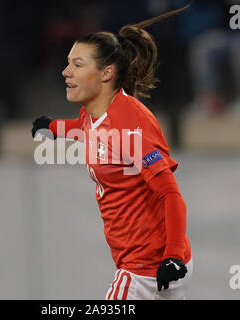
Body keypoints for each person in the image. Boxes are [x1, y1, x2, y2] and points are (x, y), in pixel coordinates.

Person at [31, 4, 192, 300]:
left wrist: (173, 258)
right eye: (68, 63)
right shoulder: (96, 111)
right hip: (148, 263)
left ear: (106, 73)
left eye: (78, 65)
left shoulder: (128, 126)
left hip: (148, 268)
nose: (66, 72)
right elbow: (84, 128)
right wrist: (53, 127)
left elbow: (171, 195)